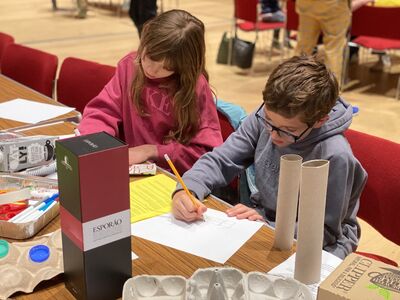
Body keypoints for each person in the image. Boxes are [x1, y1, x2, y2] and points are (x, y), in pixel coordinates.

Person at [172, 56, 367, 259]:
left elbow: (323, 231)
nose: (273, 135)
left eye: (288, 130)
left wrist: (268, 227)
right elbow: (221, 160)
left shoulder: (335, 155)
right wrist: (188, 189)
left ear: (319, 121)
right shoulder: (267, 116)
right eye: (269, 121)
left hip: (319, 243)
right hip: (264, 221)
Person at [78, 9, 223, 174]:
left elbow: (204, 153)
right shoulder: (130, 65)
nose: (151, 70)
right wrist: (94, 142)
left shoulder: (196, 88)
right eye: (150, 57)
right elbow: (103, 111)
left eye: (167, 68)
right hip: (128, 170)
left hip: (171, 178)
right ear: (144, 41)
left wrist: (152, 150)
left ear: (184, 67)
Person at [294, 0, 351, 87]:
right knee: (333, 51)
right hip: (334, 5)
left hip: (306, 4)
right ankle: (331, 93)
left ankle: (294, 85)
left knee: (303, 47)